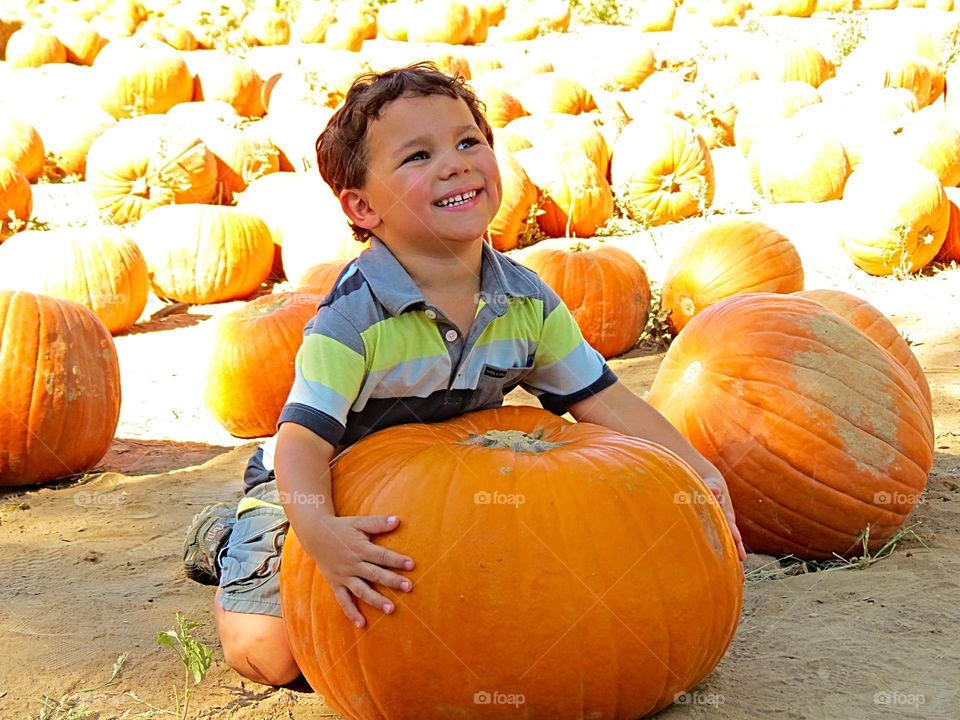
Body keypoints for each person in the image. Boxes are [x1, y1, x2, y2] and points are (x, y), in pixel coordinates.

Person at [182, 62, 746, 687]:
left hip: (446, 478)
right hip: (325, 481)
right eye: (418, 155)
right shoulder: (352, 321)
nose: (454, 163)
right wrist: (318, 533)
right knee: (270, 655)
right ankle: (233, 535)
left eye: (468, 141)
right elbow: (301, 443)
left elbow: (604, 400)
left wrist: (698, 470)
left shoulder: (526, 303)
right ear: (362, 206)